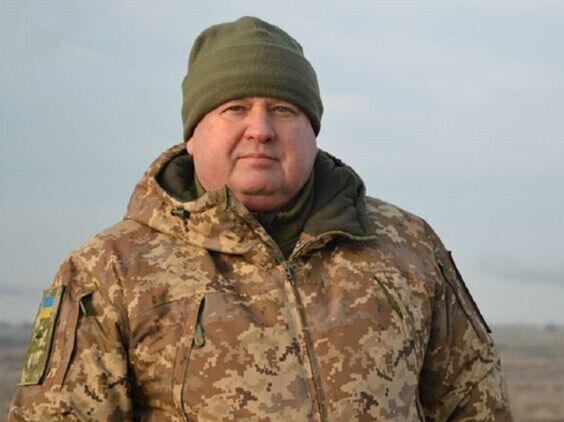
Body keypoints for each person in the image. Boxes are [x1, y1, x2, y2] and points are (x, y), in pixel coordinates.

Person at [9, 16, 512, 421]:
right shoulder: (109, 271)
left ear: (312, 130)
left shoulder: (406, 246)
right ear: (193, 134)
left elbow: (475, 401)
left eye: (283, 109)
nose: (261, 129)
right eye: (235, 108)